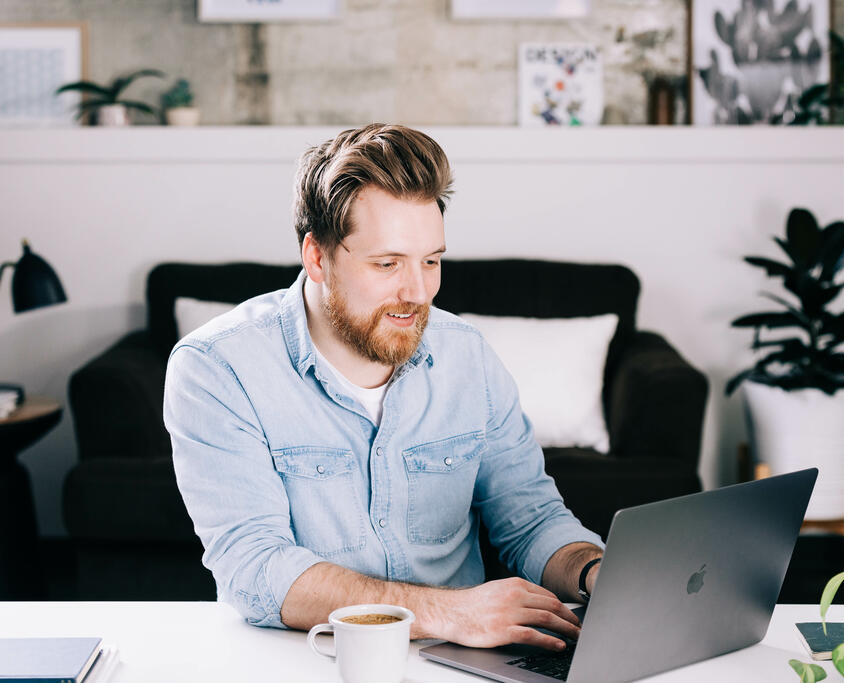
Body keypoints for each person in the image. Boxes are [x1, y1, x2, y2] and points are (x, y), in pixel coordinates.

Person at [163, 123, 604, 651]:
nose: (417, 293)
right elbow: (255, 567)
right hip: (303, 660)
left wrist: (594, 573)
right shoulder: (217, 368)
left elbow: (530, 519)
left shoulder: (468, 357)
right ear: (318, 257)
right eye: (387, 263)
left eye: (432, 261)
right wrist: (448, 611)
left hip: (463, 660)